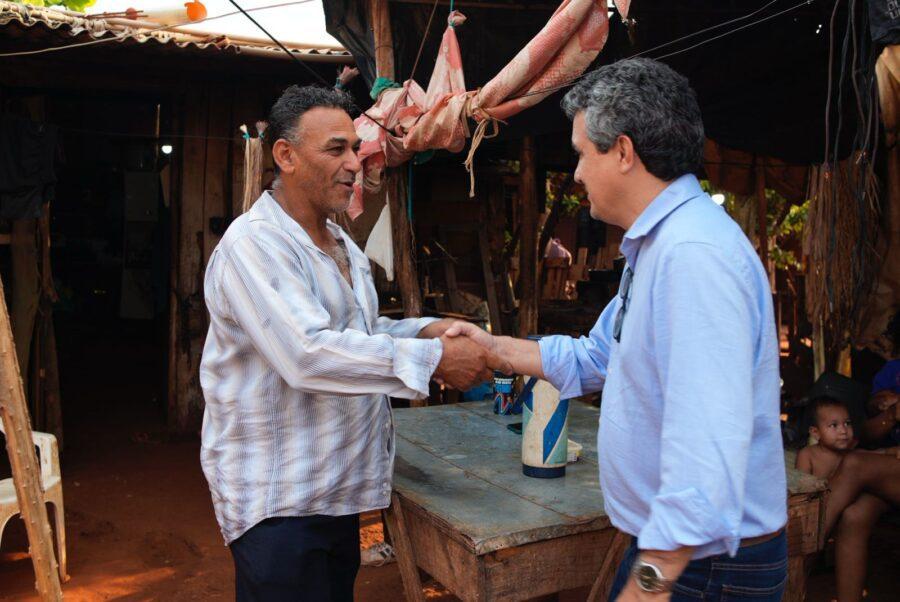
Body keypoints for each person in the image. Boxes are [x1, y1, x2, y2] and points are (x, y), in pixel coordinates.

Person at [446, 57, 789, 601]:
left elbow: (706, 451)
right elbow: (599, 358)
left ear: (624, 152)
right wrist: (496, 350)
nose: (577, 172)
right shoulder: (657, 245)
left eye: (583, 153)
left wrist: (647, 586)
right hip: (678, 554)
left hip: (700, 568)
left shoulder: (692, 257)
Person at [199, 85, 505, 601]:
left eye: (355, 149)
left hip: (335, 491)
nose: (354, 163)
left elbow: (356, 337)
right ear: (286, 156)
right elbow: (309, 356)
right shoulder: (253, 246)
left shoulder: (339, 242)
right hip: (279, 502)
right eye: (336, 149)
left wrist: (427, 331)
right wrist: (433, 359)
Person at [796, 396, 900, 602]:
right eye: (834, 425)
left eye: (846, 424)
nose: (843, 430)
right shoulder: (808, 454)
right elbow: (870, 434)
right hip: (889, 476)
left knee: (853, 463)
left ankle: (800, 557)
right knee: (854, 514)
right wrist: (889, 413)